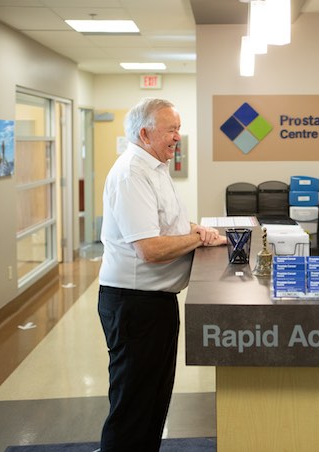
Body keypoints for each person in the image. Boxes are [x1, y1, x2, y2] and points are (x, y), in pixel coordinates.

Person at [98, 97, 226, 451]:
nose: (177, 138)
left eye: (178, 129)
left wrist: (197, 231)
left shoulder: (154, 169)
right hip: (134, 305)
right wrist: (194, 240)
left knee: (153, 403)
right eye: (171, 130)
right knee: (132, 408)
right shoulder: (131, 174)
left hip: (157, 302)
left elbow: (165, 226)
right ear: (144, 133)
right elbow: (150, 249)